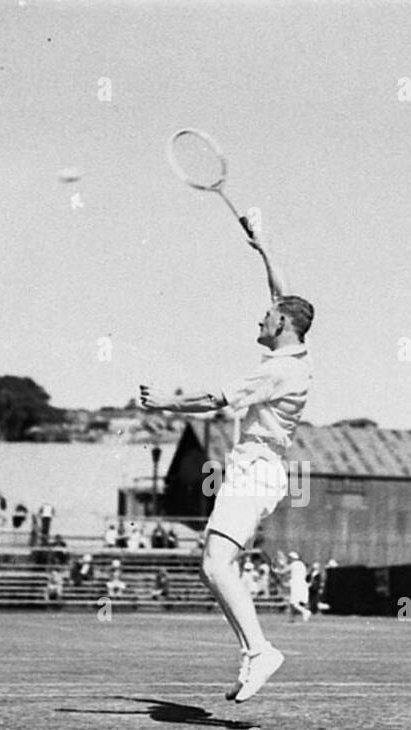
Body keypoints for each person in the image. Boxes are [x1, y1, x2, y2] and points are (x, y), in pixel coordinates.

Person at [140, 221, 312, 701]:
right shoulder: (297, 352)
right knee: (215, 564)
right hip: (257, 470)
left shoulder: (277, 372)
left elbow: (215, 398)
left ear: (281, 325)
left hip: (256, 472)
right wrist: (265, 249)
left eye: (266, 316)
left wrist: (164, 404)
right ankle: (253, 651)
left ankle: (261, 651)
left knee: (216, 564)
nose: (259, 320)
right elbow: (285, 294)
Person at [285, 551, 311, 622]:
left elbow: (283, 571)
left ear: (291, 558)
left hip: (296, 585)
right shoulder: (302, 565)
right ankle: (292, 619)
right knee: (294, 603)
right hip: (302, 585)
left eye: (289, 558)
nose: (288, 559)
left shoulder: (293, 564)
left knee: (293, 603)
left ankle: (305, 612)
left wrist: (275, 569)